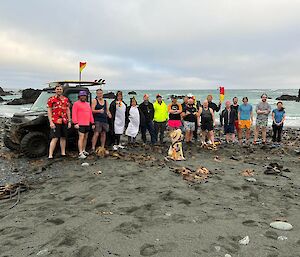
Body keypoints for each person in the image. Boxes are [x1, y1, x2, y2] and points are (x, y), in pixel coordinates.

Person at [47, 84, 71, 159]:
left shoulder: (65, 99)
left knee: (63, 137)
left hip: (64, 121)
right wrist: (51, 122)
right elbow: (49, 111)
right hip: (55, 121)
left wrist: (69, 121)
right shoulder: (51, 99)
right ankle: (50, 155)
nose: (59, 90)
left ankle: (63, 153)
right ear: (55, 90)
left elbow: (67, 110)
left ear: (62, 90)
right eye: (57, 89)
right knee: (55, 138)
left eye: (60, 89)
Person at [72, 91, 95, 159]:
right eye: (82, 96)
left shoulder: (88, 104)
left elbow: (90, 114)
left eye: (84, 96)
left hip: (87, 123)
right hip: (80, 124)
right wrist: (75, 123)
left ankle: (84, 150)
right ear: (79, 96)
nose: (83, 97)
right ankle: (80, 152)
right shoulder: (76, 104)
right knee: (81, 137)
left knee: (86, 137)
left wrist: (92, 122)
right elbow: (74, 113)